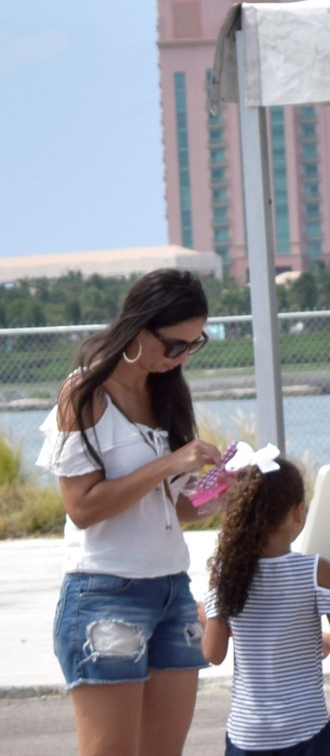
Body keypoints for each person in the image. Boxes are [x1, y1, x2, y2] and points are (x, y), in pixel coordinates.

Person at [40, 270, 222, 756]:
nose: (182, 357)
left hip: (172, 590)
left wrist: (221, 493)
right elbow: (82, 508)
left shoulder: (167, 392)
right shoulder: (84, 393)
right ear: (140, 329)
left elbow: (174, 507)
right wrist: (169, 463)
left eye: (194, 344)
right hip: (105, 593)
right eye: (174, 344)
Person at [201, 458, 330, 756]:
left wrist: (206, 618)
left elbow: (213, 653)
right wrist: (329, 640)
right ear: (298, 512)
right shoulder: (317, 571)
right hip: (306, 728)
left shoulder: (224, 573)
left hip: (248, 734)